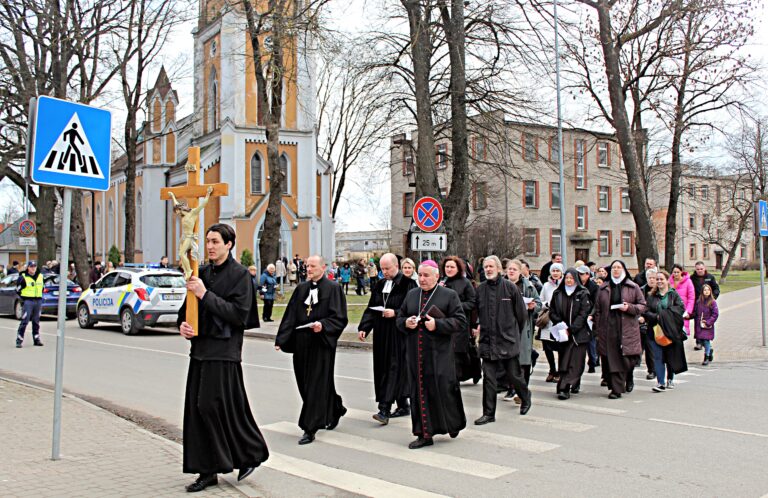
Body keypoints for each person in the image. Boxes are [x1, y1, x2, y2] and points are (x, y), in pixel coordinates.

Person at [177, 224, 268, 492]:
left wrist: (205, 294)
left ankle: (251, 452)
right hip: (201, 350)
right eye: (208, 241)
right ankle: (207, 471)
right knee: (198, 410)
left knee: (212, 407)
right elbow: (188, 309)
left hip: (224, 352)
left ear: (229, 244)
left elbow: (239, 314)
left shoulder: (240, 275)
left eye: (216, 241)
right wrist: (183, 325)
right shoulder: (201, 272)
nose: (210, 246)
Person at [275, 255, 348, 445]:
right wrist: (281, 339)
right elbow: (290, 315)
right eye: (307, 266)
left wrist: (323, 325)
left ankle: (309, 427)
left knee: (316, 384)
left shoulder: (333, 289)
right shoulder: (301, 289)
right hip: (302, 343)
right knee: (305, 383)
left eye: (313, 266)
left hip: (321, 344)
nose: (309, 269)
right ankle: (335, 407)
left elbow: (340, 318)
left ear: (323, 267)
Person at [396, 260, 467, 449]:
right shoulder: (412, 295)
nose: (422, 279)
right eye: (419, 275)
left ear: (437, 276)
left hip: (439, 354)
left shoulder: (449, 295)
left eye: (426, 275)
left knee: (443, 391)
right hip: (416, 355)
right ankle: (424, 434)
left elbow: (460, 322)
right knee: (418, 394)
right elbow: (399, 318)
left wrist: (438, 325)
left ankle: (453, 424)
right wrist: (406, 323)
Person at [358, 253, 417, 425]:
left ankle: (384, 409)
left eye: (387, 268)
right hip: (382, 332)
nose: (384, 272)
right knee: (384, 367)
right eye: (382, 269)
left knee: (393, 368)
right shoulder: (380, 284)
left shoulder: (408, 284)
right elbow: (371, 307)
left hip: (399, 333)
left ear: (396, 266)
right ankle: (403, 405)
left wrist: (396, 313)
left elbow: (413, 308)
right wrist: (364, 327)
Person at [472, 256, 531, 425]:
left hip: (507, 340)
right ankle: (488, 413)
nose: (488, 270)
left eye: (491, 266)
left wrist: (512, 334)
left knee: (514, 376)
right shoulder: (480, 289)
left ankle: (525, 396)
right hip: (487, 342)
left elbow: (522, 316)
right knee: (489, 379)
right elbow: (477, 313)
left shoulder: (510, 288)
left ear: (499, 269)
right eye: (485, 267)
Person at [592, 260, 646, 399]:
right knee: (612, 358)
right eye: (613, 268)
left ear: (624, 269)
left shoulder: (633, 287)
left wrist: (629, 308)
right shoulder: (603, 288)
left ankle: (628, 376)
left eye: (619, 267)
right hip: (608, 327)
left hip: (626, 326)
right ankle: (616, 389)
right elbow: (597, 309)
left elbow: (642, 306)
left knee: (628, 359)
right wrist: (597, 327)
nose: (616, 270)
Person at [640, 270, 688, 391]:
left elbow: (680, 309)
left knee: (669, 356)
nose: (659, 281)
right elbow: (646, 311)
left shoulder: (673, 295)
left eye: (662, 279)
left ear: (667, 280)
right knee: (658, 357)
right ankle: (660, 382)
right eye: (657, 279)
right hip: (655, 331)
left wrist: (664, 315)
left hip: (670, 331)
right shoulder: (651, 296)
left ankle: (670, 378)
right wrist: (656, 317)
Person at [550, 268, 592, 399]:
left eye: (571, 278)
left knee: (575, 362)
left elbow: (583, 313)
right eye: (567, 278)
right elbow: (552, 311)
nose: (569, 280)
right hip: (562, 334)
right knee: (564, 362)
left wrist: (572, 328)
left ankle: (565, 387)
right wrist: (560, 324)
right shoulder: (558, 293)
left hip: (578, 334)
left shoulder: (583, 293)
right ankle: (565, 385)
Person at [504, 259, 541, 402]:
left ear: (520, 271)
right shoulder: (501, 285)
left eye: (514, 269)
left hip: (523, 327)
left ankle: (521, 390)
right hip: (505, 327)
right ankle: (511, 388)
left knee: (523, 360)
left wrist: (533, 306)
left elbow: (538, 302)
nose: (511, 271)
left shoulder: (528, 286)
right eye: (509, 269)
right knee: (508, 359)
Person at [440, 256, 480, 383]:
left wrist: (456, 306)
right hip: (443, 323)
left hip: (459, 324)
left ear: (458, 268)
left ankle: (456, 379)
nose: (449, 269)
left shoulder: (465, 282)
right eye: (447, 267)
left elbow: (472, 302)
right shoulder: (441, 281)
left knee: (458, 353)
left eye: (452, 267)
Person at [539, 262, 564, 383]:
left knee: (560, 348)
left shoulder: (565, 285)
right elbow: (540, 301)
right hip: (548, 319)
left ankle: (559, 372)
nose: (555, 273)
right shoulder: (546, 285)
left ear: (561, 273)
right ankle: (552, 370)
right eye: (553, 271)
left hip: (559, 319)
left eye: (557, 271)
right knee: (547, 347)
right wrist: (546, 305)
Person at [690, 261, 720, 350]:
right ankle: (699, 342)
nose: (700, 271)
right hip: (697, 304)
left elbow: (716, 289)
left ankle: (707, 341)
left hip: (708, 305)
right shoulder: (692, 278)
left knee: (707, 323)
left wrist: (712, 299)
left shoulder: (710, 277)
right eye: (698, 269)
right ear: (695, 269)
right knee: (697, 323)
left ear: (705, 268)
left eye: (701, 269)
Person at [576, 265, 600, 373]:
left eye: (581, 274)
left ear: (587, 275)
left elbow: (596, 303)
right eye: (578, 274)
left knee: (591, 340)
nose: (579, 276)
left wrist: (592, 315)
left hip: (590, 317)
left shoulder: (594, 287)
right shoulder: (577, 285)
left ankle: (592, 362)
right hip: (580, 316)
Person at [15, 260, 44, 348]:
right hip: (28, 301)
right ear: (28, 267)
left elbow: (42, 288)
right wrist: (24, 299)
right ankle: (19, 340)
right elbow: (18, 290)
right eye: (31, 266)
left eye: (34, 266)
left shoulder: (40, 276)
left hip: (38, 301)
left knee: (36, 321)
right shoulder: (23, 277)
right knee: (25, 320)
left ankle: (36, 339)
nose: (33, 268)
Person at [639, 268, 658, 380]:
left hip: (656, 322)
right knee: (646, 347)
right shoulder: (642, 290)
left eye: (654, 278)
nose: (652, 280)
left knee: (653, 348)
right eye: (650, 278)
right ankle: (651, 369)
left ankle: (656, 369)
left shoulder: (659, 292)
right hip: (642, 323)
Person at [693, 283, 719, 365]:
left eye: (708, 290)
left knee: (706, 340)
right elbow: (695, 312)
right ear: (702, 291)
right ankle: (710, 350)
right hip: (699, 325)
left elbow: (715, 314)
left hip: (707, 326)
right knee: (701, 341)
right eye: (705, 290)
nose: (706, 291)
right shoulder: (698, 302)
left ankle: (706, 356)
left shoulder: (713, 302)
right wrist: (688, 316)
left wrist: (708, 322)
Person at [670, 264, 695, 336]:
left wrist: (688, 311)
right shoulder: (669, 281)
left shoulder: (688, 282)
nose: (676, 274)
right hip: (671, 310)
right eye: (674, 272)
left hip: (683, 310)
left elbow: (691, 298)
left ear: (681, 272)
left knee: (682, 333)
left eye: (678, 272)